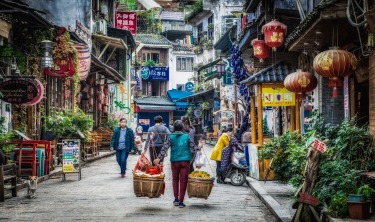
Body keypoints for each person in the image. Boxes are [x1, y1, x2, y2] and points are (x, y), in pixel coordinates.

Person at [153, 120, 202, 208]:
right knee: (183, 181)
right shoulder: (187, 136)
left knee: (175, 179)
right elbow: (194, 147)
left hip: (174, 161)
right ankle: (181, 201)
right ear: (182, 128)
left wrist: (158, 158)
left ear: (174, 128)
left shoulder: (171, 137)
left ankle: (176, 199)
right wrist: (199, 148)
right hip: (185, 161)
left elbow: (165, 148)